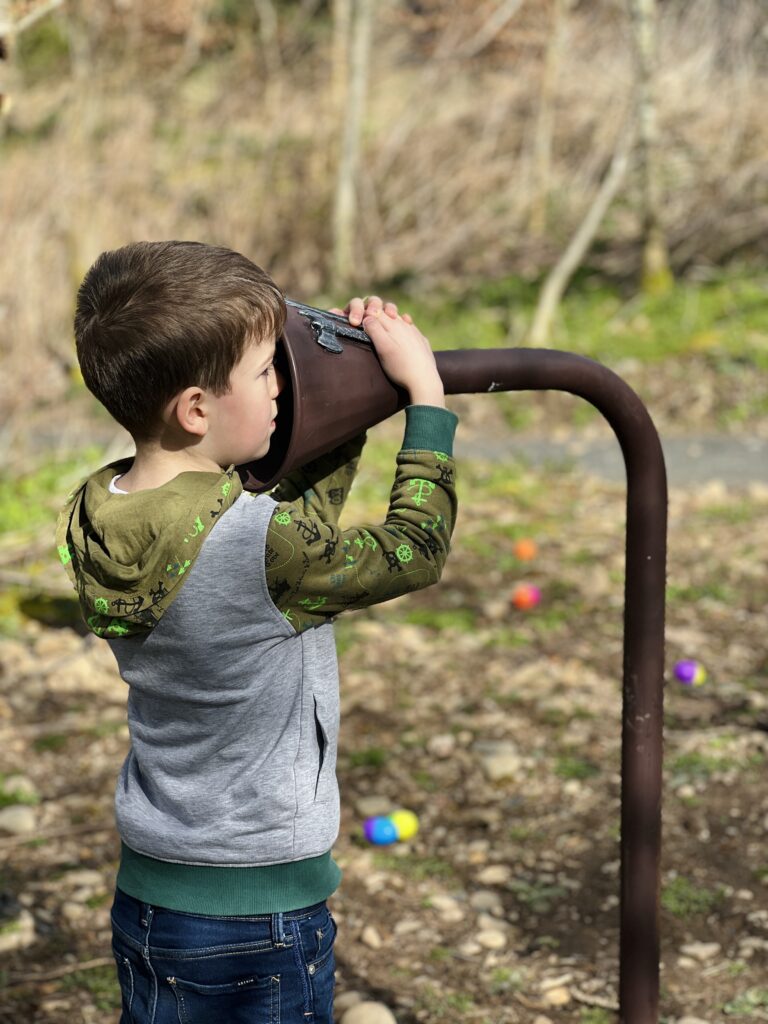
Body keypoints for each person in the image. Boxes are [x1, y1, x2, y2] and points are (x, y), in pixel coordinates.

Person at [55, 240, 458, 1024]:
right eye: (267, 370)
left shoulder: (99, 512)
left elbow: (281, 528)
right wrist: (426, 404)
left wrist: (346, 399)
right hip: (261, 916)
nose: (282, 386)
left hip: (151, 900)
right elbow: (415, 550)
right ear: (197, 408)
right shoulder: (256, 550)